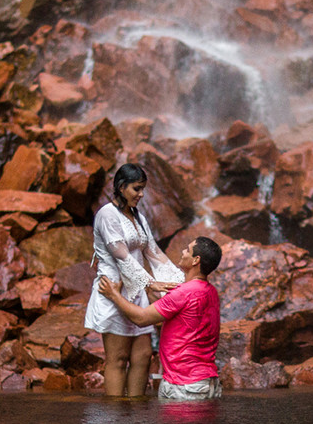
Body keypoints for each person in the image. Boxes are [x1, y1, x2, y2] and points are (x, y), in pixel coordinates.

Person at [84, 163, 183, 398]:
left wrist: (181, 281)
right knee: (118, 358)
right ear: (121, 187)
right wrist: (150, 283)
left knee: (143, 356)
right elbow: (121, 255)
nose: (141, 194)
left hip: (137, 291)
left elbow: (153, 251)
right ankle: (114, 413)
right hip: (114, 288)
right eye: (137, 189)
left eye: (143, 189)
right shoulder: (107, 214)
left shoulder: (137, 216)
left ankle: (136, 410)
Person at [98, 236, 222, 401]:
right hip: (208, 382)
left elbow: (141, 319)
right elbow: (178, 314)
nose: (183, 252)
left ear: (195, 260)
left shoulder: (183, 293)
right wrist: (148, 292)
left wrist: (113, 295)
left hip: (184, 385)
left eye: (187, 250)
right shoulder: (210, 291)